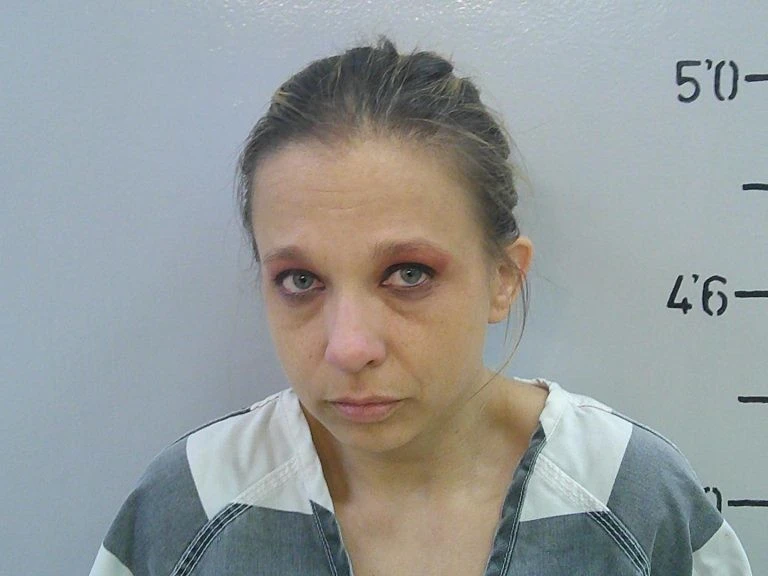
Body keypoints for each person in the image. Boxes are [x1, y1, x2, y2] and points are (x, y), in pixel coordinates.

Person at [89, 38, 752, 576]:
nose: (349, 348)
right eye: (300, 280)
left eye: (409, 274)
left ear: (503, 279)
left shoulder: (632, 499)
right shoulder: (191, 507)